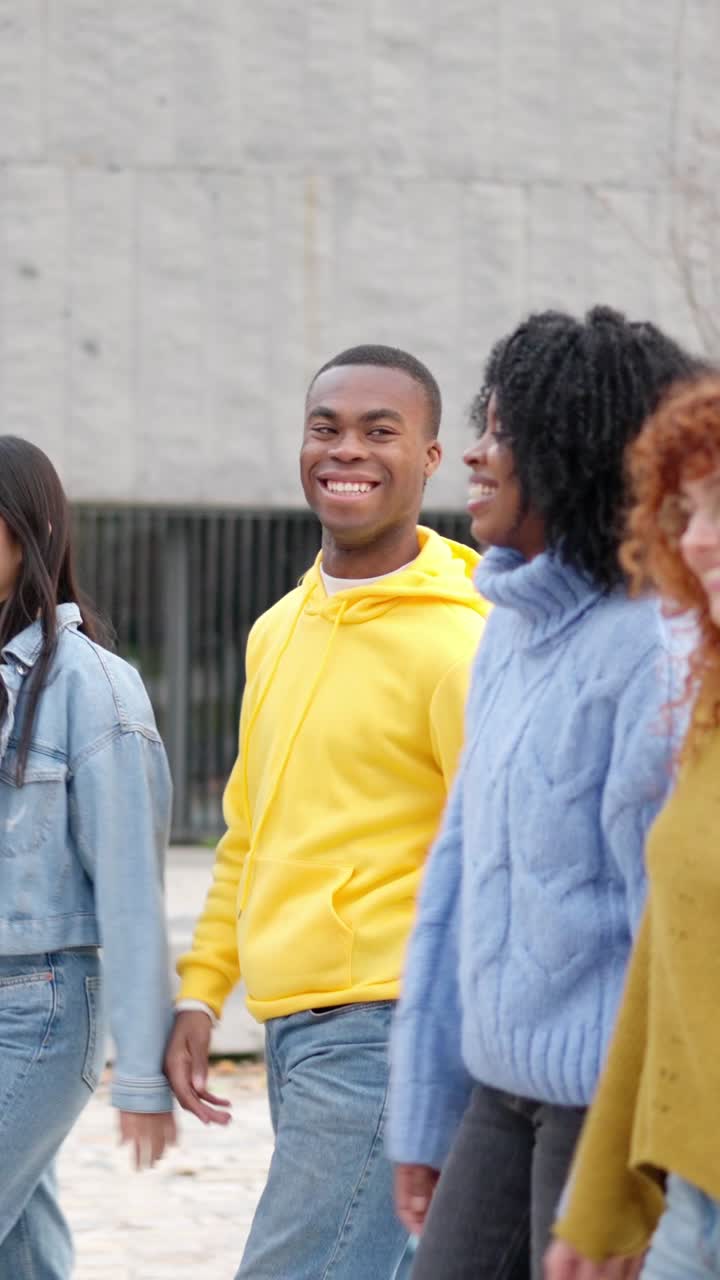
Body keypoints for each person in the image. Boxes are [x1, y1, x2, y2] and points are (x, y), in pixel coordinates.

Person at [164, 344, 489, 1279]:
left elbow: (495, 856)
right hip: (295, 1025)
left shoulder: (459, 642)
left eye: (381, 432)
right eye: (327, 428)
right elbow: (249, 828)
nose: (348, 450)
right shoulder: (278, 628)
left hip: (388, 1030)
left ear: (430, 459)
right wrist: (201, 987)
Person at [388, 307, 699, 1280]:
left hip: (605, 1106)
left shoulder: (645, 649)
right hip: (495, 1093)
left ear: (576, 447)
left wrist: (648, 1169)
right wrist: (422, 1108)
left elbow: (668, 928)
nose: (474, 455)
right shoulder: (509, 633)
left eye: (499, 430)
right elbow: (455, 878)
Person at [545, 373, 720, 1280]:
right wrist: (606, 1200)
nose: (693, 536)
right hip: (696, 1200)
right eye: (687, 507)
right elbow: (667, 958)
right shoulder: (709, 718)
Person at [0, 436, 175, 1279]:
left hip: (35, 1011)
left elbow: (134, 898)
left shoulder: (94, 688)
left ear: (24, 531)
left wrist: (141, 1074)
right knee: (23, 1252)